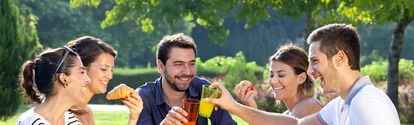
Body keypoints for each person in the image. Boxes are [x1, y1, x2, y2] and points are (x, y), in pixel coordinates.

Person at [205, 24, 400, 125]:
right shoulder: (340, 105)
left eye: (315, 61)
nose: (310, 71)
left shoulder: (367, 102)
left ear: (339, 58)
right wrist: (235, 107)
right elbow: (295, 124)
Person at [136, 33, 237, 125]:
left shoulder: (204, 90)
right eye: (179, 64)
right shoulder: (144, 97)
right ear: (161, 66)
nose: (187, 72)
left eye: (191, 64)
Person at [66, 36, 143, 125]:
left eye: (111, 70)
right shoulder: (62, 114)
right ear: (82, 69)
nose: (110, 76)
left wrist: (133, 117)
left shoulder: (87, 111)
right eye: (103, 69)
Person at [234, 43, 323, 118]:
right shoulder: (288, 114)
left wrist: (234, 106)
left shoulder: (307, 106)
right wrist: (251, 107)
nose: (273, 81)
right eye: (272, 75)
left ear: (301, 78)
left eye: (281, 75)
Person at [17, 46, 90, 125]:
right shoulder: (31, 122)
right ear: (64, 79)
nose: (88, 80)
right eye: (82, 72)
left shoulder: (71, 120)